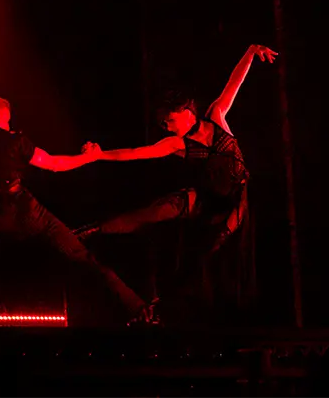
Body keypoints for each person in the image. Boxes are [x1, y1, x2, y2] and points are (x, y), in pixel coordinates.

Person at [0, 97, 153, 325]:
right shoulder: (13, 140)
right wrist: (89, 158)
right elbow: (55, 164)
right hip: (25, 209)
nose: (9, 124)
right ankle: (137, 308)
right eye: (7, 119)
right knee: (81, 257)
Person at [78, 44, 273, 315]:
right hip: (206, 197)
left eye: (169, 120)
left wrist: (250, 53)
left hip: (234, 200)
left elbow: (234, 83)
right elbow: (136, 153)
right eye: (164, 123)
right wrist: (99, 155)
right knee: (158, 210)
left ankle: (167, 304)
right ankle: (96, 230)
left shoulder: (216, 116)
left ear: (186, 111)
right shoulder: (176, 143)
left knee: (208, 253)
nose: (167, 126)